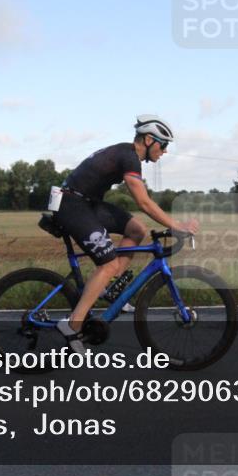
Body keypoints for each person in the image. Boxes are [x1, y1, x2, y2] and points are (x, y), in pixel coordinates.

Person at [53, 115, 198, 353]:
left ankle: (107, 289)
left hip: (86, 202)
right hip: (71, 205)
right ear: (149, 140)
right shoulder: (129, 156)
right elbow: (143, 202)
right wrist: (176, 225)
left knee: (137, 229)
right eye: (164, 145)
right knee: (108, 263)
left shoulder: (127, 154)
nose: (165, 151)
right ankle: (72, 325)